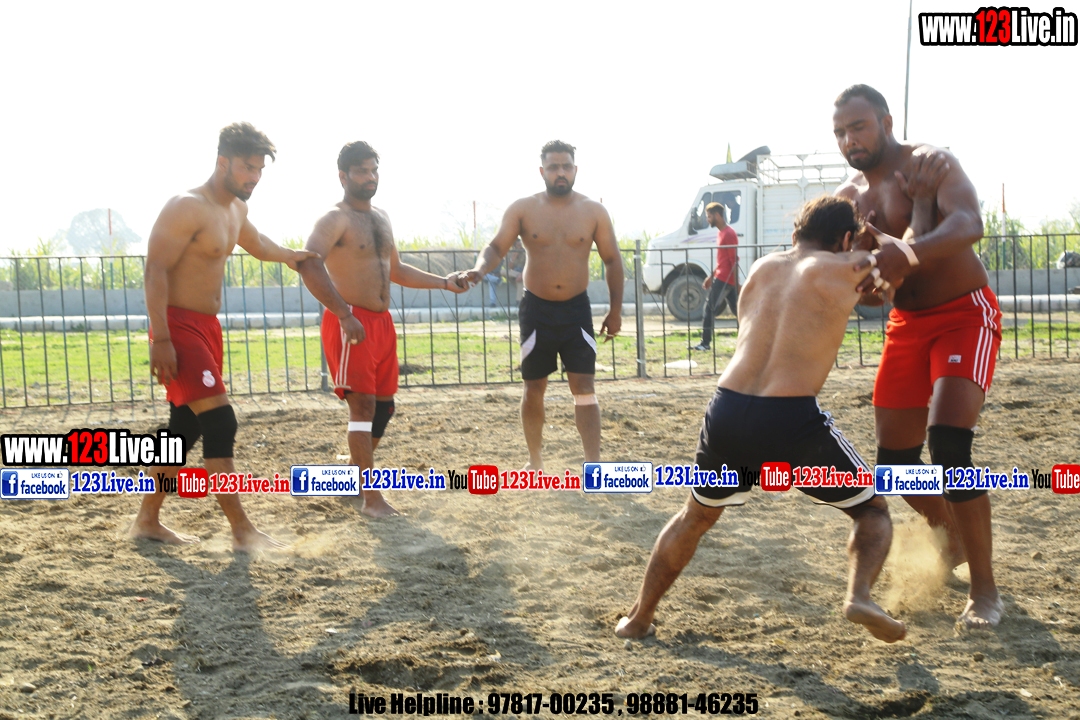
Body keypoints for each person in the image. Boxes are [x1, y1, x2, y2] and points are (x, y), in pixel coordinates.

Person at [617, 195, 905, 644]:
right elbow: (905, 258)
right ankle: (859, 596)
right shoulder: (849, 265)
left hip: (727, 408)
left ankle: (638, 618)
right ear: (845, 239)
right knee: (871, 511)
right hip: (791, 418)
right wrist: (877, 238)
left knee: (694, 516)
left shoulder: (761, 268)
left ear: (795, 234)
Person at [833, 84, 1004, 629]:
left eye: (858, 126)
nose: (849, 140)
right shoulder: (848, 197)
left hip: (963, 314)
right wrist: (868, 281)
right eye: (839, 133)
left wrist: (905, 252)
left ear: (886, 121)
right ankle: (953, 538)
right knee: (895, 469)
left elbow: (969, 224)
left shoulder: (929, 162)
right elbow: (870, 286)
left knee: (949, 445)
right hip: (906, 325)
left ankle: (984, 592)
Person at [131, 122, 316, 551]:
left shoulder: (236, 209)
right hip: (177, 327)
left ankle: (147, 521)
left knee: (184, 428)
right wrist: (161, 338)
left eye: (260, 169)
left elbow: (258, 244)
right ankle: (242, 531)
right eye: (248, 167)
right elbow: (155, 269)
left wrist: (292, 256)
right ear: (222, 162)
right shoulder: (186, 206)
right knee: (220, 421)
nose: (255, 177)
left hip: (206, 329)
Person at [297, 141, 468, 518]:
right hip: (351, 321)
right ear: (343, 176)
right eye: (361, 170)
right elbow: (309, 264)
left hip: (381, 323)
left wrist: (444, 282)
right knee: (362, 406)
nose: (370, 177)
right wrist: (343, 313)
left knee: (383, 407)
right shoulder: (334, 218)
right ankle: (371, 499)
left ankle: (350, 478)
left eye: (374, 170)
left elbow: (397, 270)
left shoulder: (382, 217)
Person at [465, 140, 624, 469]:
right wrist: (480, 270)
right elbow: (495, 247)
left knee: (584, 385)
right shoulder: (523, 209)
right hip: (536, 310)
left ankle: (593, 464)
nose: (560, 172)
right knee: (534, 385)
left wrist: (615, 310)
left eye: (566, 166)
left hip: (577, 310)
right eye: (553, 167)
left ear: (576, 170)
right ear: (542, 171)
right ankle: (535, 461)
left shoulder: (593, 211)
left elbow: (612, 260)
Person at [693, 202, 739, 351]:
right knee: (739, 312)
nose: (707, 220)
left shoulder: (729, 234)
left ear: (717, 215)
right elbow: (722, 261)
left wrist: (736, 284)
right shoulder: (721, 233)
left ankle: (705, 343)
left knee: (709, 310)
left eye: (709, 216)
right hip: (723, 277)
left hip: (725, 279)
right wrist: (710, 277)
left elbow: (733, 261)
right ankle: (748, 341)